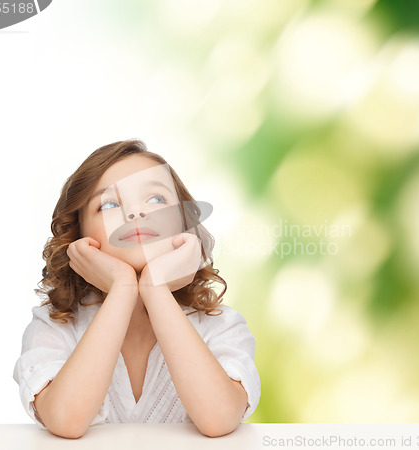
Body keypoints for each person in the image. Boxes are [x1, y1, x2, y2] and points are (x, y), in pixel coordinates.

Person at [13, 139, 261, 439]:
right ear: (79, 236)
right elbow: (65, 420)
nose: (135, 214)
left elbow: (219, 419)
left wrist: (155, 289)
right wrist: (122, 287)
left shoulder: (219, 326)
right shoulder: (55, 327)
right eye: (109, 204)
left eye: (156, 199)